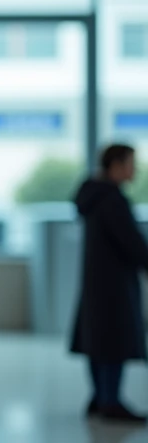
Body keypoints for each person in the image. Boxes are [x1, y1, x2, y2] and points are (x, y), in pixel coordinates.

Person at [69, 144, 148, 423]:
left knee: (98, 341)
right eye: (130, 163)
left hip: (95, 281)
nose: (134, 170)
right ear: (115, 165)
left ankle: (100, 396)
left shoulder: (92, 196)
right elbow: (131, 242)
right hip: (114, 283)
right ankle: (110, 400)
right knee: (114, 341)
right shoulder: (112, 199)